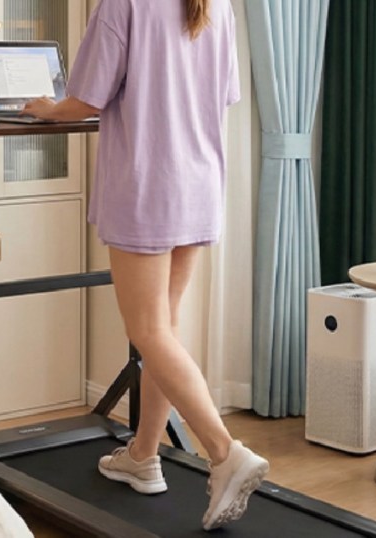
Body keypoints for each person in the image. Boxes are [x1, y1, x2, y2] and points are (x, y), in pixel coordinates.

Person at [22, 0, 267, 531]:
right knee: (165, 329)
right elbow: (224, 95)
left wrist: (44, 107)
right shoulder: (219, 6)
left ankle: (224, 452)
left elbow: (85, 98)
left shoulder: (124, 4)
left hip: (147, 185)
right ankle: (142, 456)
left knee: (149, 329)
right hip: (199, 182)